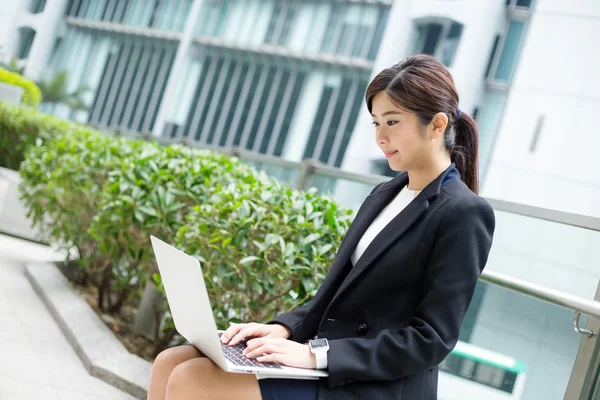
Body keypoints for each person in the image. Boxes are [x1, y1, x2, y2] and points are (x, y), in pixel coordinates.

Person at [147, 54, 496, 400]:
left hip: (370, 384)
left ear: (436, 125)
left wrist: (315, 355)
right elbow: (333, 300)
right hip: (324, 361)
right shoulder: (385, 194)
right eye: (376, 123)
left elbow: (431, 339)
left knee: (193, 380)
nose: (380, 137)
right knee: (170, 362)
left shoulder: (464, 213)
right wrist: (281, 329)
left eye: (392, 122)